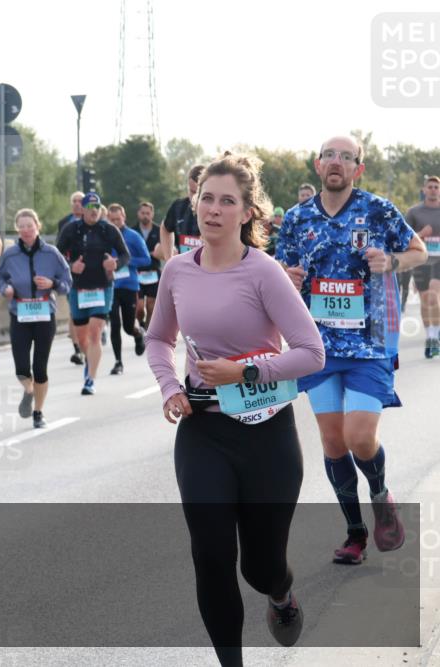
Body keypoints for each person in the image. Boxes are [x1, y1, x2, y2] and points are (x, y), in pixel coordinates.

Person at [146, 154, 326, 666]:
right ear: (195, 202)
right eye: (207, 197)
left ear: (248, 212)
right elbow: (159, 339)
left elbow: (311, 352)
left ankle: (280, 592)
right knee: (210, 554)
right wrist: (168, 388)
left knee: (262, 566)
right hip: (204, 429)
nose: (215, 209)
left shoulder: (264, 272)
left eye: (228, 201)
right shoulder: (178, 270)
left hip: (266, 433)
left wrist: (245, 372)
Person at [277, 135, 427, 565]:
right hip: (317, 344)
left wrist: (393, 262)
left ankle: (380, 496)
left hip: (370, 341)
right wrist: (288, 277)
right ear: (317, 165)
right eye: (329, 155)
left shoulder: (377, 209)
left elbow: (417, 250)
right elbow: (281, 272)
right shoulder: (296, 217)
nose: (337, 161)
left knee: (359, 437)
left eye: (347, 156)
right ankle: (355, 534)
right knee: (332, 443)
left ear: (358, 168)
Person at [0, 209, 72, 428]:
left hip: (43, 314)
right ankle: (29, 391)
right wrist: (6, 289)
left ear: (37, 226)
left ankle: (38, 412)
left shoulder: (51, 253)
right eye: (22, 226)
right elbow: (0, 277)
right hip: (18, 313)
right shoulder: (10, 254)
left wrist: (53, 284)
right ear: (17, 229)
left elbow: (67, 281)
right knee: (21, 367)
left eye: (30, 225)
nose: (26, 230)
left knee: (40, 367)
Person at [56, 192, 130, 395]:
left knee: (95, 333)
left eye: (97, 208)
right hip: (78, 287)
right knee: (82, 339)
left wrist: (115, 264)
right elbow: (57, 255)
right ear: (83, 209)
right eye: (90, 208)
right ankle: (88, 362)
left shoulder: (109, 229)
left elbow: (125, 255)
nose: (94, 212)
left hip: (102, 287)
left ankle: (90, 379)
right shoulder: (71, 229)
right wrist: (71, 266)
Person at [104, 203, 151, 375]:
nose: (116, 222)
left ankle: (139, 334)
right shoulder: (104, 236)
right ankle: (118, 362)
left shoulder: (133, 236)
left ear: (124, 217)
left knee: (128, 326)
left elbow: (146, 259)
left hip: (129, 285)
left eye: (118, 219)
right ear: (108, 219)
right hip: (111, 285)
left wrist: (125, 260)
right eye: (112, 219)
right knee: (114, 324)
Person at [406, 175, 440, 357]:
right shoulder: (414, 212)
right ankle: (430, 337)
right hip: (421, 260)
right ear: (424, 190)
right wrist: (421, 234)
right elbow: (404, 238)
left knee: (434, 296)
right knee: (426, 300)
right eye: (430, 187)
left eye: (436, 187)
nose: (433, 190)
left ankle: (435, 336)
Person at [57, 191, 87, 365]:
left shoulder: (94, 221)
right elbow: (59, 250)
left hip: (92, 274)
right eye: (74, 201)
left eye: (80, 201)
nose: (77, 204)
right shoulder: (64, 223)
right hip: (71, 272)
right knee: (73, 311)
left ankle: (90, 340)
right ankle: (77, 348)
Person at [160, 164, 206, 261]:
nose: (194, 197)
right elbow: (165, 228)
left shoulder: (216, 211)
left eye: (198, 193)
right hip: (184, 269)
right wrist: (169, 258)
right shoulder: (179, 207)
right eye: (192, 191)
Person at [135, 201, 164, 331]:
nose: (145, 216)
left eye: (148, 213)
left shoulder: (160, 231)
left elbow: (164, 250)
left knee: (151, 306)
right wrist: (149, 253)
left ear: (152, 214)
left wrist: (157, 253)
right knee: (139, 306)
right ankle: (140, 322)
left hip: (153, 272)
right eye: (143, 213)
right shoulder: (133, 231)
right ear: (138, 214)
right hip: (137, 273)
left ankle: (148, 330)